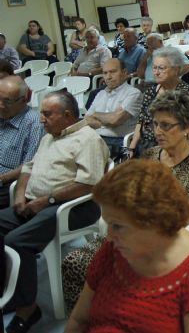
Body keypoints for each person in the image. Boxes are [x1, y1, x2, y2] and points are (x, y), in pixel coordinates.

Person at [63, 91, 189, 313]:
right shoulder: (151, 154)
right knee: (74, 261)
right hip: (131, 231)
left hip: (167, 238)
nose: (158, 131)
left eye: (166, 125)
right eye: (155, 124)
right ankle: (97, 317)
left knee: (116, 271)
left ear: (187, 128)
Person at [65, 159, 189, 333]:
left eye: (117, 226)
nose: (109, 237)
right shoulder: (114, 250)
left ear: (155, 223)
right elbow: (79, 320)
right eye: (108, 224)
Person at [0, 90, 108, 333]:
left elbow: (88, 184)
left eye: (47, 114)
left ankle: (27, 308)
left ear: (67, 115)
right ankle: (8, 292)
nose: (41, 119)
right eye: (41, 113)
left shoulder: (87, 140)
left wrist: (45, 200)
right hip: (36, 201)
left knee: (17, 241)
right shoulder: (50, 135)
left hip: (72, 207)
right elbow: (29, 167)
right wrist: (20, 196)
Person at [129, 48, 189, 156]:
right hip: (146, 145)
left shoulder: (186, 93)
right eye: (154, 68)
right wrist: (131, 148)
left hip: (172, 148)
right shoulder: (150, 92)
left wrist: (175, 152)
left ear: (176, 70)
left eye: (161, 68)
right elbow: (141, 121)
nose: (156, 72)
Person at [0, 76, 44, 208]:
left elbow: (29, 164)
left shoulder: (34, 123)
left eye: (7, 101)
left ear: (23, 100)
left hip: (8, 183)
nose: (0, 105)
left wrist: (2, 179)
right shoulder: (2, 114)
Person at [84, 59, 142, 158]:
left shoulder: (133, 93)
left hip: (117, 142)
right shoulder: (100, 94)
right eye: (105, 73)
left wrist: (96, 115)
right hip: (95, 138)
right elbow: (87, 119)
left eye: (113, 72)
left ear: (124, 73)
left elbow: (115, 120)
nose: (108, 77)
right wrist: (109, 118)